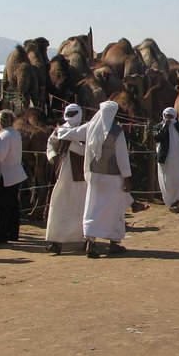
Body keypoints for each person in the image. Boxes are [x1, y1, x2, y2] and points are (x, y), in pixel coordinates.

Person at [56, 100, 132, 256]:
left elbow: (68, 133)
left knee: (93, 209)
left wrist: (58, 130)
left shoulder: (90, 127)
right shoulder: (117, 132)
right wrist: (127, 178)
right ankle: (114, 243)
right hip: (113, 178)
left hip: (94, 176)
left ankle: (91, 243)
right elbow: (123, 158)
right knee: (114, 210)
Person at [45, 104, 87, 255]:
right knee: (59, 206)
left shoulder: (85, 130)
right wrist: (52, 156)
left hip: (81, 174)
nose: (71, 115)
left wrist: (74, 143)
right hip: (63, 172)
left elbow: (88, 149)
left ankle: (84, 239)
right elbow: (51, 144)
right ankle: (56, 241)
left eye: (74, 112)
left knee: (81, 206)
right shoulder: (60, 129)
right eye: (69, 112)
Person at [0, 109, 28, 245]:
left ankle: (0, 236)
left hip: (4, 175)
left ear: (1, 122)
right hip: (14, 173)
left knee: (1, 206)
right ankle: (12, 233)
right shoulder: (15, 134)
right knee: (13, 205)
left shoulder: (4, 136)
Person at [154, 107, 179, 213]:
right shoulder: (158, 127)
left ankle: (177, 201)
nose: (168, 118)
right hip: (165, 159)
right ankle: (170, 203)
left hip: (178, 159)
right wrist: (166, 126)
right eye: (166, 116)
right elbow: (157, 137)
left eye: (171, 116)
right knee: (167, 181)